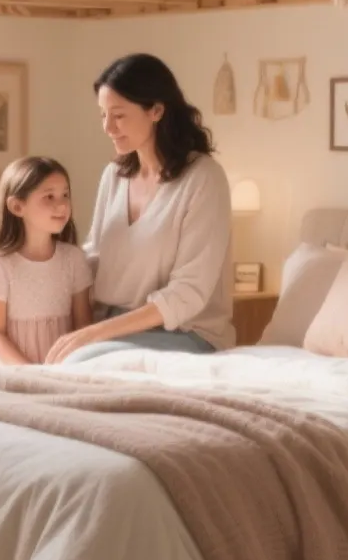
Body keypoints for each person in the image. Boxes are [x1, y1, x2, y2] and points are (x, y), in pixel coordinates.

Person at [47, 54, 234, 364]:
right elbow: (93, 259)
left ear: (157, 110)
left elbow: (187, 293)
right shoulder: (115, 175)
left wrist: (93, 334)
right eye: (103, 114)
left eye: (118, 115)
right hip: (111, 327)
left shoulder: (203, 178)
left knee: (81, 361)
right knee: (51, 354)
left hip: (185, 333)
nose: (108, 127)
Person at [0, 156, 95, 366]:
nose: (62, 205)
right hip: (11, 371)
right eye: (49, 197)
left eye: (65, 195)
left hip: (61, 371)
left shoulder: (74, 259)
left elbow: (83, 328)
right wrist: (29, 373)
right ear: (17, 207)